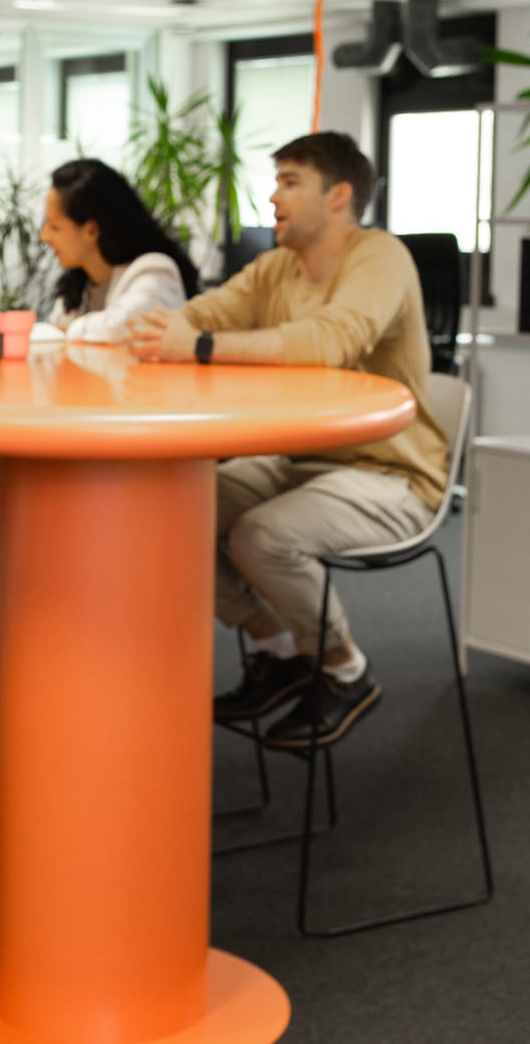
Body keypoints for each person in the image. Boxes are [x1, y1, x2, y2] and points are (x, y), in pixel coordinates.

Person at [127, 131, 447, 749]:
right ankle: (279, 650)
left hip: (392, 473)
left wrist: (198, 347)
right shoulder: (277, 267)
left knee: (261, 537)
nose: (273, 197)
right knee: (170, 513)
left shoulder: (380, 257)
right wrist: (164, 329)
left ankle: (345, 668)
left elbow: (331, 341)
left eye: (290, 182)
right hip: (300, 459)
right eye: (275, 182)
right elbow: (201, 313)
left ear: (339, 196)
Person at [0, 158, 200, 655]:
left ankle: (24, 609)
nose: (42, 236)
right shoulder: (79, 287)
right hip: (79, 428)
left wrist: (45, 329)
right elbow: (62, 346)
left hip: (133, 445)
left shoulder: (153, 271)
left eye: (54, 225)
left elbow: (124, 330)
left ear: (91, 229)